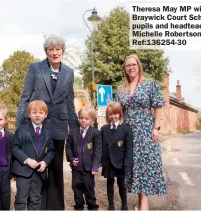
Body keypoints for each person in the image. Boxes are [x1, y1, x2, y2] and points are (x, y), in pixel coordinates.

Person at [15, 35, 78, 209]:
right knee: (39, 169)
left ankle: (56, 207)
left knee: (56, 168)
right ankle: (38, 206)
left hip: (59, 127)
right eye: (51, 49)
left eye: (58, 49)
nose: (55, 53)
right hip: (37, 126)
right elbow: (25, 97)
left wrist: (75, 130)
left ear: (62, 52)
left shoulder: (69, 72)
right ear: (46, 52)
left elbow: (70, 102)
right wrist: (19, 125)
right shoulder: (35, 68)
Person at [115, 54, 168, 211]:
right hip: (128, 133)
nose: (130, 67)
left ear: (139, 66)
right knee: (134, 168)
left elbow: (158, 106)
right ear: (125, 69)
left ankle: (143, 207)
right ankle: (139, 205)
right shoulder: (121, 89)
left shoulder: (150, 84)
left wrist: (156, 128)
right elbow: (119, 113)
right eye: (127, 65)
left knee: (144, 167)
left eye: (133, 64)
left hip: (145, 131)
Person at [11, 100, 55, 210]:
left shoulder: (48, 132)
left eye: (40, 112)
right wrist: (27, 160)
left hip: (39, 172)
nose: (37, 115)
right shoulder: (21, 130)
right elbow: (15, 148)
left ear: (45, 115)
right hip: (23, 170)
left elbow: (51, 151)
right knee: (21, 199)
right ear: (29, 114)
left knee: (35, 199)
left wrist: (45, 162)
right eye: (34, 112)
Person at [65, 107, 102, 210]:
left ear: (92, 120)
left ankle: (92, 206)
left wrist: (95, 166)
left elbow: (98, 151)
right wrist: (72, 159)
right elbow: (68, 147)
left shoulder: (95, 133)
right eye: (81, 118)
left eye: (86, 118)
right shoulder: (72, 132)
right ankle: (79, 207)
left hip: (88, 169)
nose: (83, 120)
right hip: (76, 168)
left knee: (89, 189)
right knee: (76, 189)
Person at [100, 102, 133, 210]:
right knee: (109, 183)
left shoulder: (126, 128)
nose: (113, 116)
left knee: (121, 184)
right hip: (108, 162)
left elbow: (129, 149)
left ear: (120, 114)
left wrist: (127, 164)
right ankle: (111, 205)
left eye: (115, 114)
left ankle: (124, 205)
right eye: (110, 114)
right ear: (107, 115)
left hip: (120, 162)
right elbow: (101, 147)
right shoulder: (104, 129)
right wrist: (101, 161)